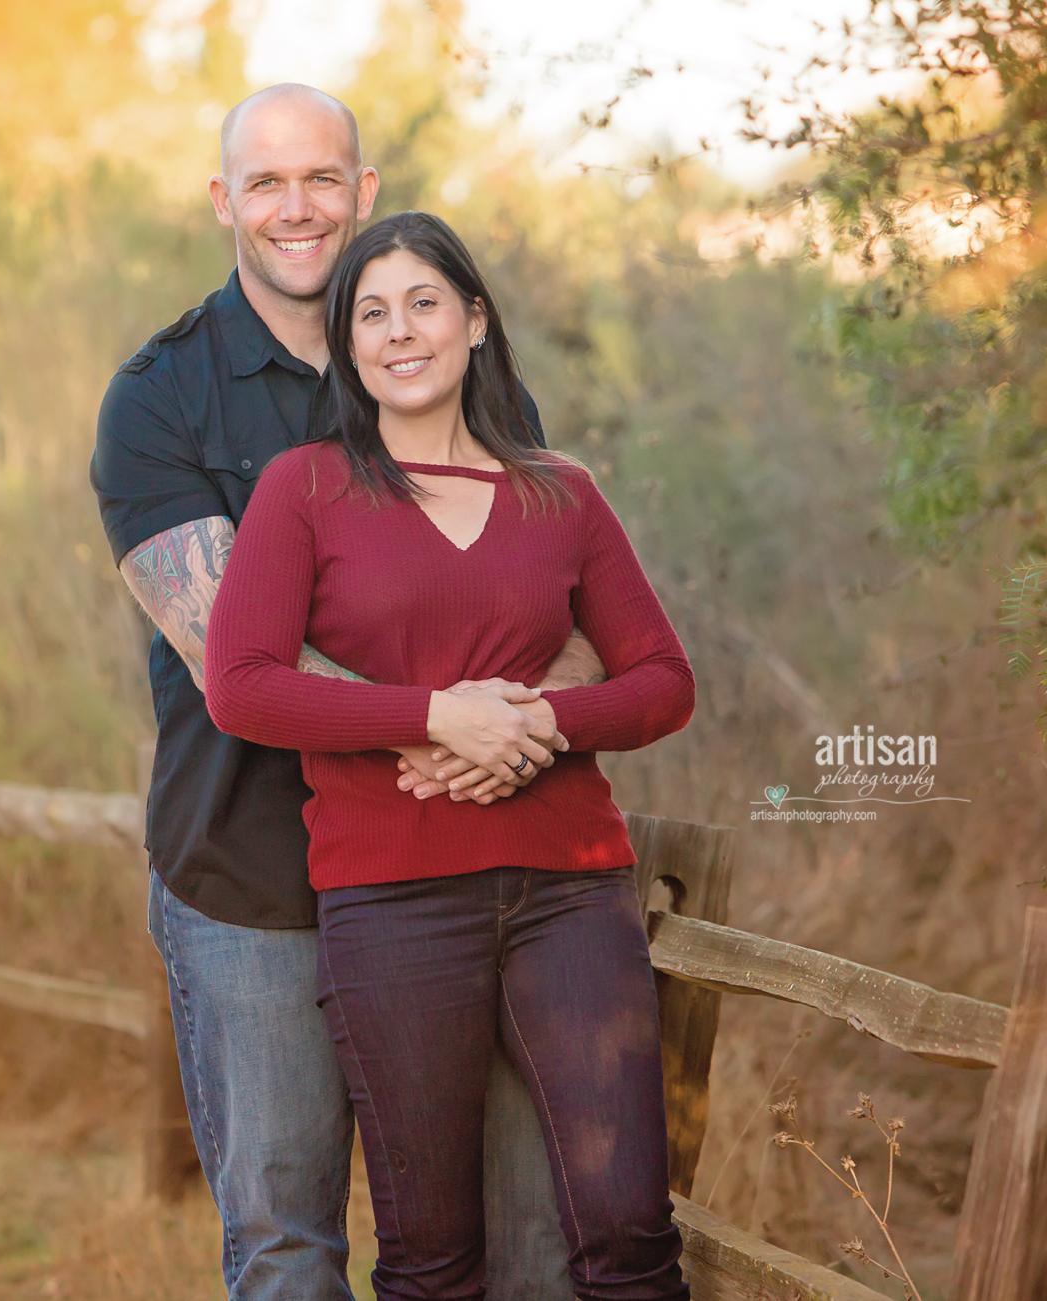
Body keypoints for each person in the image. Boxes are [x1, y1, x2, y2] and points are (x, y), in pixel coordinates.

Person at [91, 85, 595, 1301]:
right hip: (252, 883)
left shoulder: (457, 370)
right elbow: (234, 662)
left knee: (508, 1243)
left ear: (363, 193)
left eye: (321, 178)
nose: (296, 206)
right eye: (264, 182)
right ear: (224, 203)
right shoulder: (159, 399)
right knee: (286, 1246)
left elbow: (569, 617)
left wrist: (495, 737)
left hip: (462, 865)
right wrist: (445, 722)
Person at [203, 210, 696, 1301]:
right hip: (392, 900)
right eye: (369, 314)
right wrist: (433, 716)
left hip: (570, 889)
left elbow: (664, 681)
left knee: (627, 1230)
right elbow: (239, 686)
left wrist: (535, 729)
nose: (399, 331)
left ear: (474, 320)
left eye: (424, 302)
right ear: (345, 347)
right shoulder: (308, 489)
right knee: (429, 1256)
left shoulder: (558, 492)